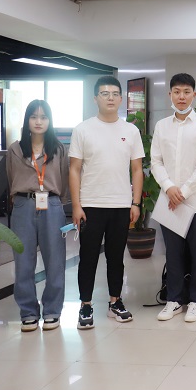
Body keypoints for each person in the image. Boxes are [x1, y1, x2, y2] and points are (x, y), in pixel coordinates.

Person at [69, 76, 144, 330]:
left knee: (116, 256)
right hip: (90, 204)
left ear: (121, 98)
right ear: (95, 99)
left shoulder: (131, 131)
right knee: (88, 257)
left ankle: (115, 302)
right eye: (104, 93)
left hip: (121, 205)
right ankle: (85, 305)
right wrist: (76, 205)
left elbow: (137, 169)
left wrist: (135, 203)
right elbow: (74, 169)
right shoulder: (83, 129)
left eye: (114, 94)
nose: (110, 98)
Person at [151, 73, 196, 323]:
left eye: (186, 92)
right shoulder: (162, 126)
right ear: (170, 94)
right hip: (170, 201)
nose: (181, 96)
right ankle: (174, 299)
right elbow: (156, 161)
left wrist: (184, 192)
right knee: (173, 253)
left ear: (194, 95)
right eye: (177, 92)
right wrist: (169, 188)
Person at [6, 100, 69, 332]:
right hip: (23, 204)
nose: (39, 121)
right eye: (34, 117)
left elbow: (64, 180)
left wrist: (56, 202)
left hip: (51, 204)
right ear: (27, 121)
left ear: (50, 121)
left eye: (43, 117)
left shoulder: (59, 149)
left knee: (55, 261)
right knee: (23, 262)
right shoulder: (15, 149)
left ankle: (52, 311)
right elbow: (10, 177)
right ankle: (28, 312)